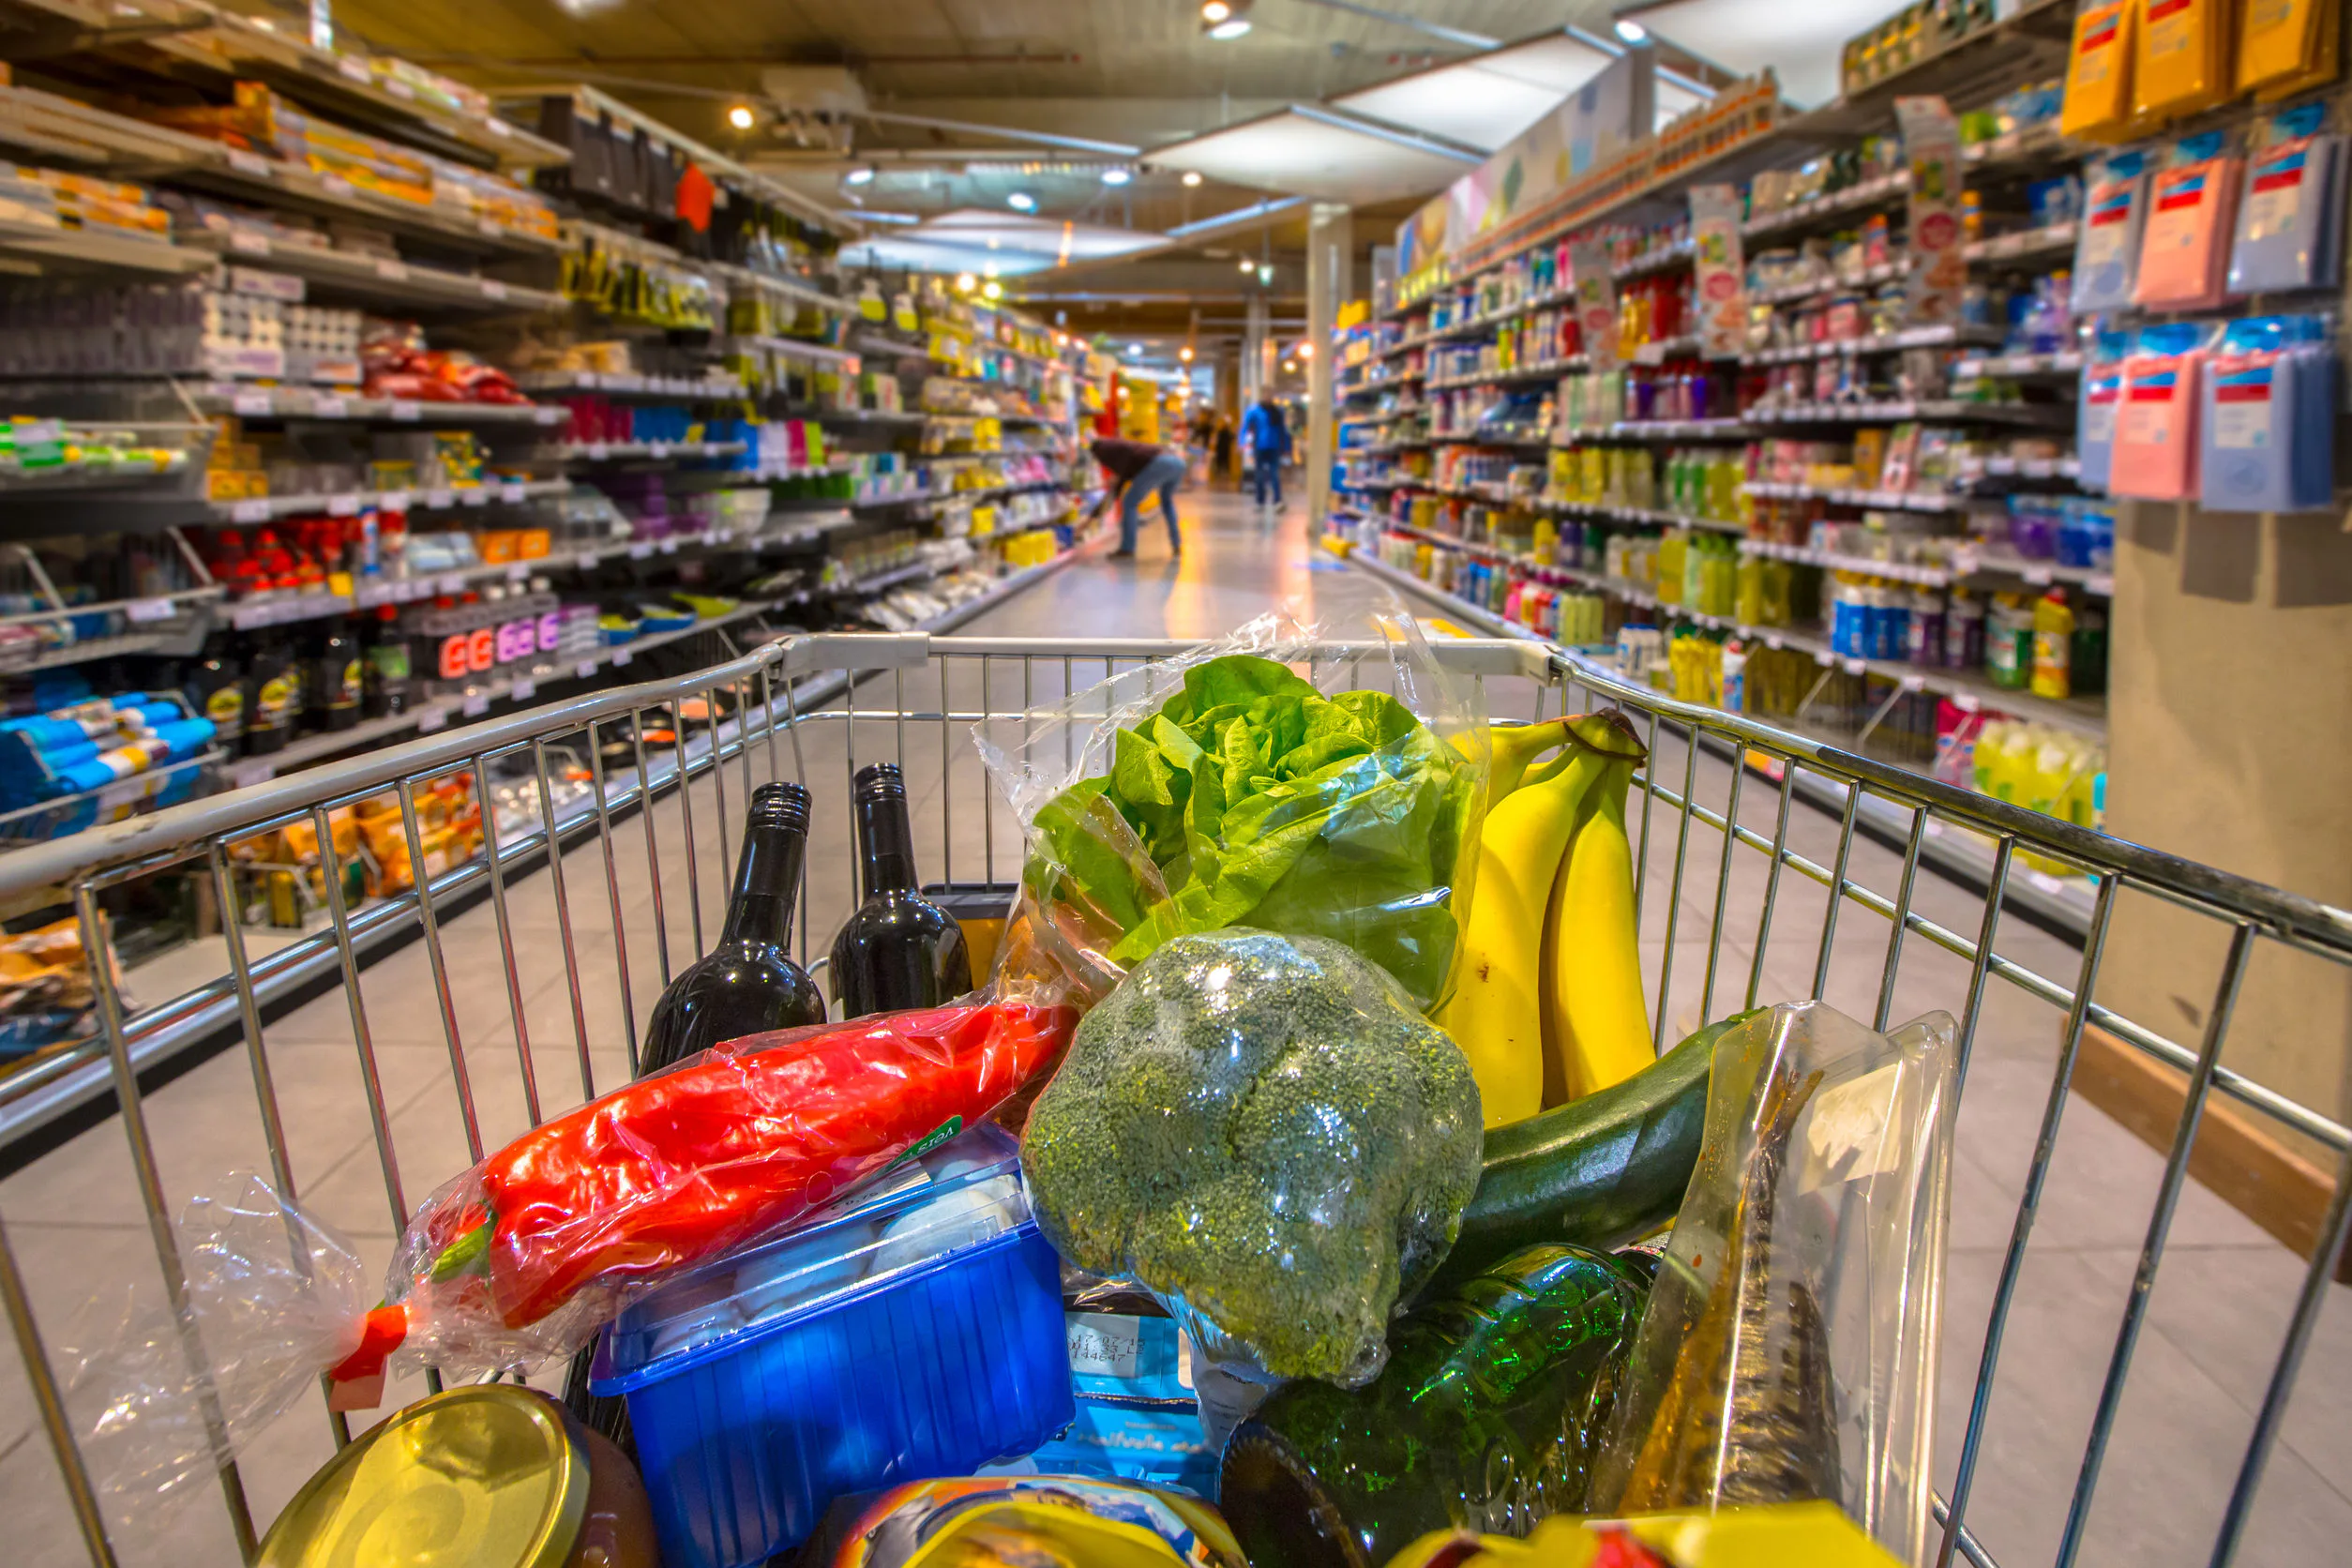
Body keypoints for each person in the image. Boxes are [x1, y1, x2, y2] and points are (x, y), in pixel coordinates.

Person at [1080, 434, 1186, 559]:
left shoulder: (1102, 451)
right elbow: (1120, 481)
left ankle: (1127, 548)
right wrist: (1092, 518)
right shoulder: (1115, 445)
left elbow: (1117, 486)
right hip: (1178, 463)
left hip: (1159, 464)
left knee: (1129, 503)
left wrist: (1090, 519)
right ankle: (1177, 544)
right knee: (1167, 503)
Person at [1241, 395, 1290, 508]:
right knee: (1260, 475)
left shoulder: (1277, 412)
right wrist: (1242, 442)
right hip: (1260, 447)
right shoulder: (1255, 411)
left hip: (1273, 447)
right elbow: (1245, 427)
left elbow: (1283, 431)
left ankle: (1276, 499)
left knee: (1274, 474)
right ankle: (1261, 500)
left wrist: (1287, 448)